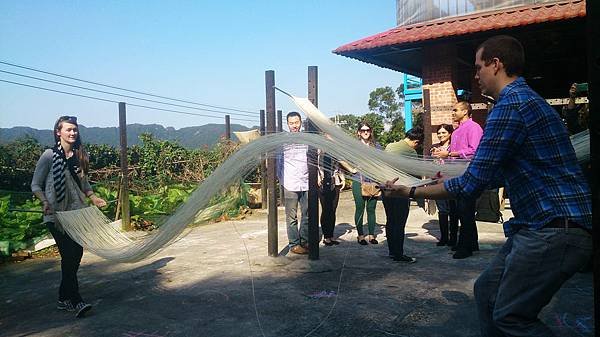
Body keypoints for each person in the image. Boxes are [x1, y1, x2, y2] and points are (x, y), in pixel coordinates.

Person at [382, 35, 592, 336]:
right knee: (487, 293)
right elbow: (493, 174)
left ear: (497, 64)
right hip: (544, 226)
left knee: (511, 316)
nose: (475, 74)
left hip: (554, 229)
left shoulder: (510, 107)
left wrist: (410, 190)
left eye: (479, 67)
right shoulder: (525, 101)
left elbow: (471, 183)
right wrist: (443, 178)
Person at [31, 115, 107, 318]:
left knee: (76, 256)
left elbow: (85, 185)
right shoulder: (49, 155)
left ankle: (63, 298)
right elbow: (35, 185)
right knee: (69, 255)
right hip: (56, 214)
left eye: (75, 130)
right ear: (58, 132)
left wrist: (94, 198)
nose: (72, 133)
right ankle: (76, 301)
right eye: (68, 129)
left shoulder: (80, 156)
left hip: (78, 214)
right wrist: (45, 201)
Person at [433, 101, 483, 259]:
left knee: (465, 210)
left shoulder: (473, 128)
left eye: (456, 110)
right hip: (455, 175)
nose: (453, 113)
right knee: (461, 210)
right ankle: (472, 243)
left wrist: (449, 154)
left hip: (467, 174)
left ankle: (465, 246)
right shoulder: (456, 131)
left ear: (466, 111)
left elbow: (474, 151)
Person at [382, 127, 424, 263]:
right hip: (400, 190)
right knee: (399, 223)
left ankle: (391, 251)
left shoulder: (390, 146)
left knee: (390, 220)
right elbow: (415, 174)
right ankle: (398, 254)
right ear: (416, 141)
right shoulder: (411, 152)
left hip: (386, 189)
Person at [277, 111, 309, 254]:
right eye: (291, 123)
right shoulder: (283, 141)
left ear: (300, 122)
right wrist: (281, 180)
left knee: (308, 214)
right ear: (287, 124)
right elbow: (278, 162)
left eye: (296, 122)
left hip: (306, 181)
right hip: (290, 182)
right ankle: (294, 244)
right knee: (291, 216)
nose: (294, 125)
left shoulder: (307, 140)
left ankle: (305, 241)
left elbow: (314, 159)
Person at [351, 121, 380, 245]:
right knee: (360, 208)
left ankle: (372, 235)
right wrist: (352, 169)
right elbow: (342, 159)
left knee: (371, 208)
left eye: (367, 130)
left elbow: (382, 162)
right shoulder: (353, 146)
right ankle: (360, 235)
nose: (366, 132)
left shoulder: (376, 146)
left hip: (374, 180)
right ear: (358, 133)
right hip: (359, 180)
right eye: (363, 130)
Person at [430, 124, 458, 247]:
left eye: (444, 133)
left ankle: (453, 238)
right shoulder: (434, 148)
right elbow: (432, 166)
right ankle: (444, 237)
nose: (441, 135)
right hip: (438, 183)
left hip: (451, 182)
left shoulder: (453, 148)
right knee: (442, 211)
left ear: (450, 134)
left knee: (453, 210)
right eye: (439, 133)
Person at [317, 150, 344, 246]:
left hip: (335, 182)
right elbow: (314, 165)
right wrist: (317, 178)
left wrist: (342, 178)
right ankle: (326, 236)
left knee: (333, 209)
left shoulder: (334, 149)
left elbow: (339, 165)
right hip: (322, 182)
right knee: (325, 209)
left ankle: (331, 235)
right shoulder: (317, 150)